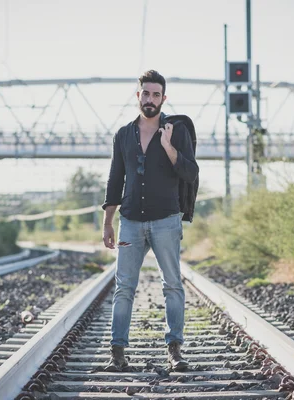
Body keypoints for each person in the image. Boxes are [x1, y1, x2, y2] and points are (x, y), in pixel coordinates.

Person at [101, 70, 199, 371]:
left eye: (156, 95)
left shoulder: (177, 130)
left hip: (167, 221)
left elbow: (190, 173)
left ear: (163, 98)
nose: (150, 99)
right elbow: (116, 177)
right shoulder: (122, 135)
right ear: (138, 95)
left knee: (172, 285)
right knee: (124, 287)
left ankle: (174, 351)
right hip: (130, 221)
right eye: (146, 93)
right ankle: (117, 353)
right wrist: (108, 221)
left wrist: (169, 147)